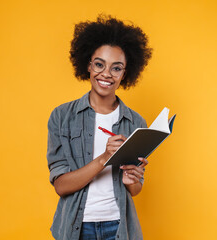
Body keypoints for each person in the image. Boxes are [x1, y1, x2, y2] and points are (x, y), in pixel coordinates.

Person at [47, 15, 152, 240]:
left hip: (120, 227)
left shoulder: (136, 123)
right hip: (77, 227)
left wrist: (132, 179)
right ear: (87, 64)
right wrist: (104, 157)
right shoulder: (62, 117)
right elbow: (61, 186)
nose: (106, 74)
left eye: (116, 68)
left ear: (125, 73)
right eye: (99, 64)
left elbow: (135, 190)